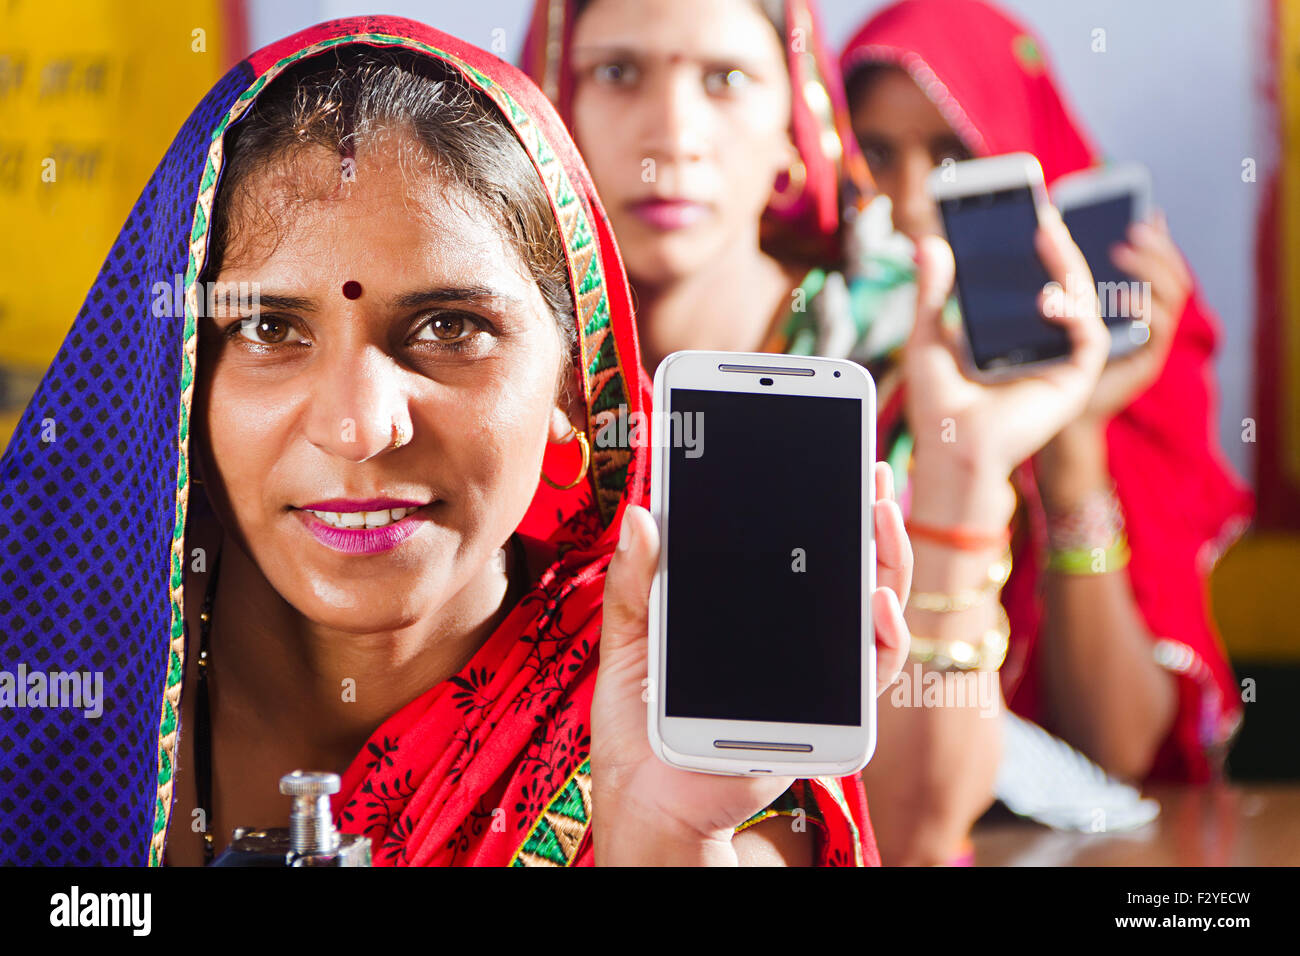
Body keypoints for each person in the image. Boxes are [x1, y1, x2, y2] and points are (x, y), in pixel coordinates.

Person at [0, 15, 918, 867]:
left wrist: (665, 836)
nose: (359, 427)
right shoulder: (55, 670)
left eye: (448, 328)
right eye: (272, 331)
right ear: (182, 375)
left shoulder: (668, 704)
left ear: (574, 383)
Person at [524, 0, 1116, 865]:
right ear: (552, 104)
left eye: (726, 79)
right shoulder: (491, 351)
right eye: (617, 72)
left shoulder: (903, 357)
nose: (674, 133)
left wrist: (962, 473)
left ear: (793, 125)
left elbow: (913, 834)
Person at [839, 0, 1255, 862]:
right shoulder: (805, 352)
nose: (914, 201)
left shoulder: (1138, 393)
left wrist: (1072, 438)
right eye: (876, 153)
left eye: (954, 155)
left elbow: (1125, 750)